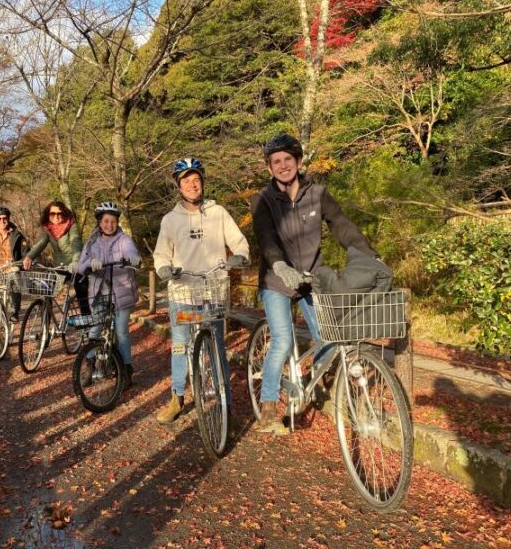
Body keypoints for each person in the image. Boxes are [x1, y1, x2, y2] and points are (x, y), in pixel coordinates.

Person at [251, 133, 379, 435]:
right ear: (270, 168)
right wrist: (280, 265)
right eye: (276, 162)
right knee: (282, 339)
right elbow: (266, 236)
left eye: (287, 159)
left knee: (328, 334)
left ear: (298, 161)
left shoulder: (318, 193)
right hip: (276, 280)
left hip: (311, 278)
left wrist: (369, 255)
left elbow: (342, 225)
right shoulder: (263, 200)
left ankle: (311, 381)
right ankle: (269, 408)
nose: (283, 166)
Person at [153, 158, 250, 424]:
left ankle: (225, 402)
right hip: (183, 293)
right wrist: (163, 268)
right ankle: (177, 397)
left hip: (213, 291)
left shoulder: (218, 213)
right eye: (186, 181)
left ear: (203, 182)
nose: (193, 185)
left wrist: (240, 255)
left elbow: (238, 241)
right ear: (179, 186)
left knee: (216, 347)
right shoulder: (170, 220)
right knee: (180, 346)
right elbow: (161, 253)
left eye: (196, 180)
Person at [76, 201, 141, 390]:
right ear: (99, 222)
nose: (109, 225)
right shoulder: (92, 242)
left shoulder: (124, 240)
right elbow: (81, 265)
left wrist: (133, 258)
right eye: (106, 221)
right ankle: (88, 366)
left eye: (113, 221)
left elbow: (131, 252)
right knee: (94, 331)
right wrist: (90, 263)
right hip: (99, 294)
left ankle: (126, 370)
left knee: (121, 332)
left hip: (121, 292)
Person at [22, 200, 88, 312]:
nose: (56, 216)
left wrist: (76, 261)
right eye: (52, 214)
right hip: (59, 266)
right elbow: (41, 243)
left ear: (64, 214)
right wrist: (29, 256)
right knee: (46, 289)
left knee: (81, 290)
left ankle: (87, 322)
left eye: (59, 213)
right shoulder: (48, 229)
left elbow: (76, 244)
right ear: (48, 215)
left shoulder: (72, 226)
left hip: (74, 265)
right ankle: (45, 325)